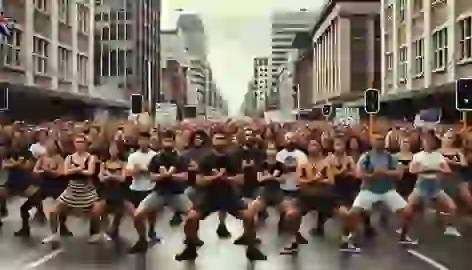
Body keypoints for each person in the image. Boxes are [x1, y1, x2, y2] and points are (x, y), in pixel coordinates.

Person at [175, 128, 266, 261]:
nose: (220, 141)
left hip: (229, 195)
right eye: (217, 138)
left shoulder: (232, 158)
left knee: (249, 217)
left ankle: (251, 249)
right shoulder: (206, 159)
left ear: (227, 141)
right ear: (212, 140)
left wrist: (225, 179)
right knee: (190, 219)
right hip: (210, 196)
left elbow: (240, 179)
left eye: (222, 139)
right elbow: (199, 181)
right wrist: (216, 178)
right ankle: (190, 249)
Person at [343, 132, 414, 253]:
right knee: (353, 214)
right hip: (369, 190)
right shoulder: (366, 157)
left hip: (387, 190)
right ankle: (345, 240)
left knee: (408, 212)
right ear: (372, 142)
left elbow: (399, 173)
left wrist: (385, 172)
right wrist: (372, 175)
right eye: (377, 140)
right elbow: (359, 174)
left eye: (381, 140)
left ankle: (403, 236)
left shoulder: (390, 157)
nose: (379, 142)